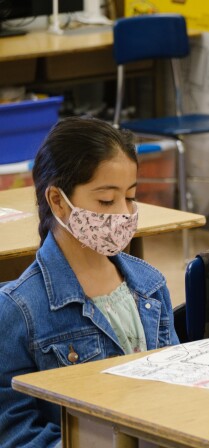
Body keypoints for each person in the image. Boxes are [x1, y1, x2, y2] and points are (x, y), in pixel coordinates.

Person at [0, 117, 179, 447]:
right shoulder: (18, 309)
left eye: (131, 196)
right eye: (107, 201)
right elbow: (14, 429)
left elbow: (180, 383)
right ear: (57, 201)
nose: (124, 213)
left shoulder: (149, 284)